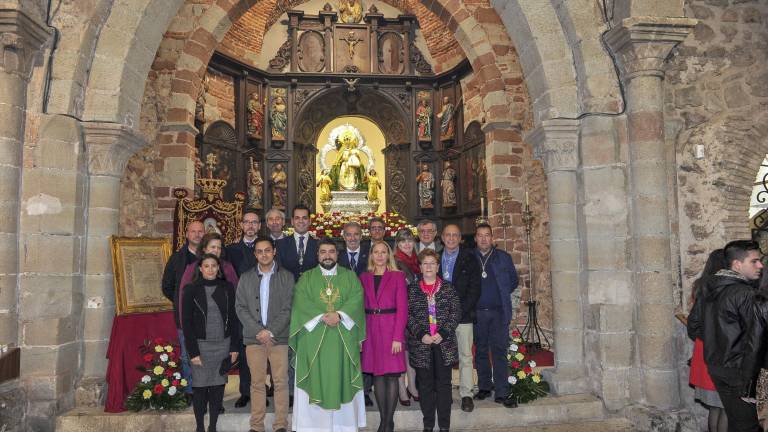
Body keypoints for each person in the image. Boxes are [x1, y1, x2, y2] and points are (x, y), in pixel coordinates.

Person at [290, 238, 367, 431]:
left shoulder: (350, 277)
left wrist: (339, 315)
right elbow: (301, 303)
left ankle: (344, 426)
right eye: (323, 252)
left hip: (342, 340)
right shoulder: (306, 278)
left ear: (337, 254)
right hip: (313, 340)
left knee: (343, 379)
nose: (327, 255)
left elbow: (357, 299)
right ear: (317, 255)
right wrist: (323, 316)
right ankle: (313, 427)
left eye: (331, 251)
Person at [688, 240, 764, 432]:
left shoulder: (708, 287)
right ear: (737, 265)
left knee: (735, 421)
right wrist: (750, 381)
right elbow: (756, 340)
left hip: (717, 365)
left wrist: (719, 343)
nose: (760, 265)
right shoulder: (745, 293)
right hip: (740, 370)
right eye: (754, 261)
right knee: (747, 426)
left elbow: (694, 326)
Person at [236, 237, 294, 432]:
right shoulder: (245, 277)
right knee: (257, 383)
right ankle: (257, 425)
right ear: (255, 254)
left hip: (279, 338)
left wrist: (270, 331)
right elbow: (240, 307)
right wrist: (258, 331)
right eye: (259, 251)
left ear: (274, 251)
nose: (264, 254)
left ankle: (280, 425)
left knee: (280, 382)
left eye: (267, 250)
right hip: (254, 339)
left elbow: (288, 308)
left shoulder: (287, 277)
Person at [181, 254, 239, 432]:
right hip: (201, 346)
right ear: (200, 268)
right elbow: (187, 323)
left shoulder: (227, 287)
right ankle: (199, 427)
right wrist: (193, 352)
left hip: (222, 344)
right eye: (206, 266)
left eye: (214, 265)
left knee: (217, 387)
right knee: (199, 388)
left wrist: (234, 347)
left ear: (218, 268)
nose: (211, 269)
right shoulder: (191, 289)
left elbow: (234, 318)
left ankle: (212, 426)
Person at [407, 249, 460, 432]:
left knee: (444, 385)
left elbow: (456, 313)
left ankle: (444, 425)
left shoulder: (448, 288)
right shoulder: (412, 290)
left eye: (432, 263)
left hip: (443, 344)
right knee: (425, 386)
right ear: (420, 267)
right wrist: (422, 334)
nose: (428, 267)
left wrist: (443, 332)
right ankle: (428, 424)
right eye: (425, 263)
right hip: (422, 344)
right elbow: (408, 316)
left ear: (438, 267)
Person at [360, 241, 408, 432]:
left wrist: (398, 337)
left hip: (391, 330)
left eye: (383, 252)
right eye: (376, 252)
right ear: (371, 255)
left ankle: (388, 423)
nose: (380, 256)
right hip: (371, 329)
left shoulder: (397, 276)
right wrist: (361, 337)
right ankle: (383, 419)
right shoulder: (363, 277)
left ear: (388, 255)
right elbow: (358, 308)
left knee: (391, 377)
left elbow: (403, 309)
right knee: (378, 376)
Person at [472, 224, 518, 407]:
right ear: (475, 238)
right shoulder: (469, 257)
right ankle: (484, 387)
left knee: (499, 351)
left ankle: (501, 391)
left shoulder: (503, 258)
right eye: (480, 235)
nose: (483, 239)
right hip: (477, 313)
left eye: (487, 235)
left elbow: (513, 281)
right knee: (481, 350)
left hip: (498, 313)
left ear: (492, 238)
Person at [439, 224, 481, 412]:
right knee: (443, 357)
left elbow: (474, 290)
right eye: (448, 235)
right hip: (440, 317)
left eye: (455, 235)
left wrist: (458, 313)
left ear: (460, 238)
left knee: (465, 356)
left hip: (463, 316)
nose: (451, 238)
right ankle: (445, 393)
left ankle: (466, 394)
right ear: (442, 237)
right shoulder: (435, 257)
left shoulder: (470, 258)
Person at [161, 220, 205, 397]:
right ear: (186, 234)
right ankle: (190, 391)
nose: (197, 234)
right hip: (184, 317)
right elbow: (167, 285)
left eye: (200, 231)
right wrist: (182, 302)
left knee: (207, 355)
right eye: (193, 231)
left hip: (207, 318)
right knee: (188, 356)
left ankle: (207, 391)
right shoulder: (177, 258)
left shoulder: (211, 257)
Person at [686, 249, 727, 432]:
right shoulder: (725, 287)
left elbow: (694, 323)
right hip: (720, 350)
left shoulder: (700, 285)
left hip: (704, 349)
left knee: (715, 406)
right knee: (725, 406)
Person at [226, 211, 261, 408]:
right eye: (247, 222)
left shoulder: (265, 247)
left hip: (262, 308)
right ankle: (245, 392)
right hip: (240, 309)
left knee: (261, 352)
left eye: (254, 222)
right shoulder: (231, 250)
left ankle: (260, 392)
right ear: (241, 225)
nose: (250, 226)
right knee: (244, 349)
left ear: (259, 226)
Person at [392, 228, 421, 405]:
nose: (407, 244)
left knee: (412, 352)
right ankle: (402, 388)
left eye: (409, 240)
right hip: (400, 312)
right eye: (403, 241)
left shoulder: (417, 261)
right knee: (400, 353)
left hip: (416, 313)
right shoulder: (395, 262)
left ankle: (413, 386)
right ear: (398, 244)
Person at [276, 204, 318, 281]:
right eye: (297, 218)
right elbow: (278, 272)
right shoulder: (280, 244)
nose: (301, 221)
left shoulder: (318, 245)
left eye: (304, 218)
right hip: (288, 289)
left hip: (312, 290)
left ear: (310, 221)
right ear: (292, 221)